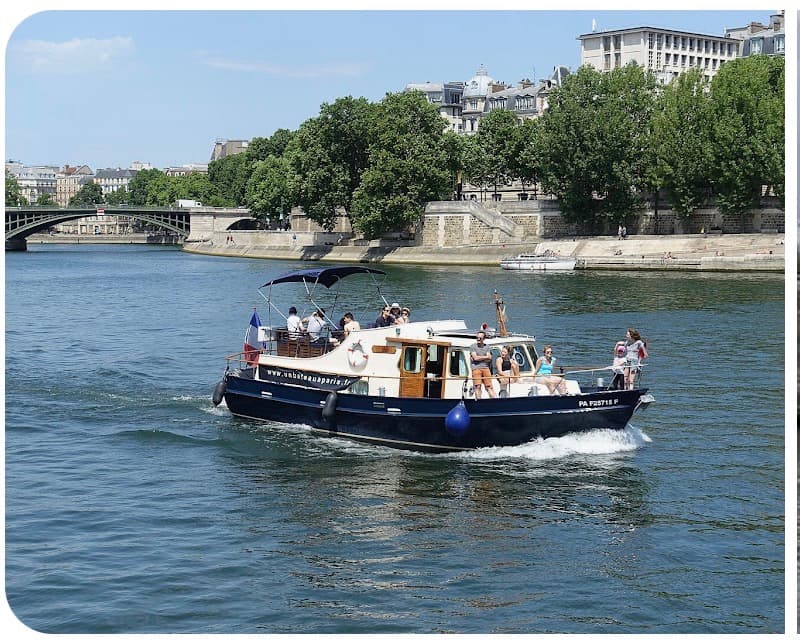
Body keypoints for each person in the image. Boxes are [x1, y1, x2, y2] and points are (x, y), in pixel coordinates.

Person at [469, 331, 496, 399]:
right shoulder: (473, 346)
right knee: (477, 386)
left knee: (489, 386)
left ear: (484, 339)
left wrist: (479, 358)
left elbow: (489, 358)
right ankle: (478, 401)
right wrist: (485, 357)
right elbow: (475, 358)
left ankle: (494, 400)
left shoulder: (487, 347)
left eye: (480, 338)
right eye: (477, 337)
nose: (478, 339)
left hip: (486, 368)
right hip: (476, 368)